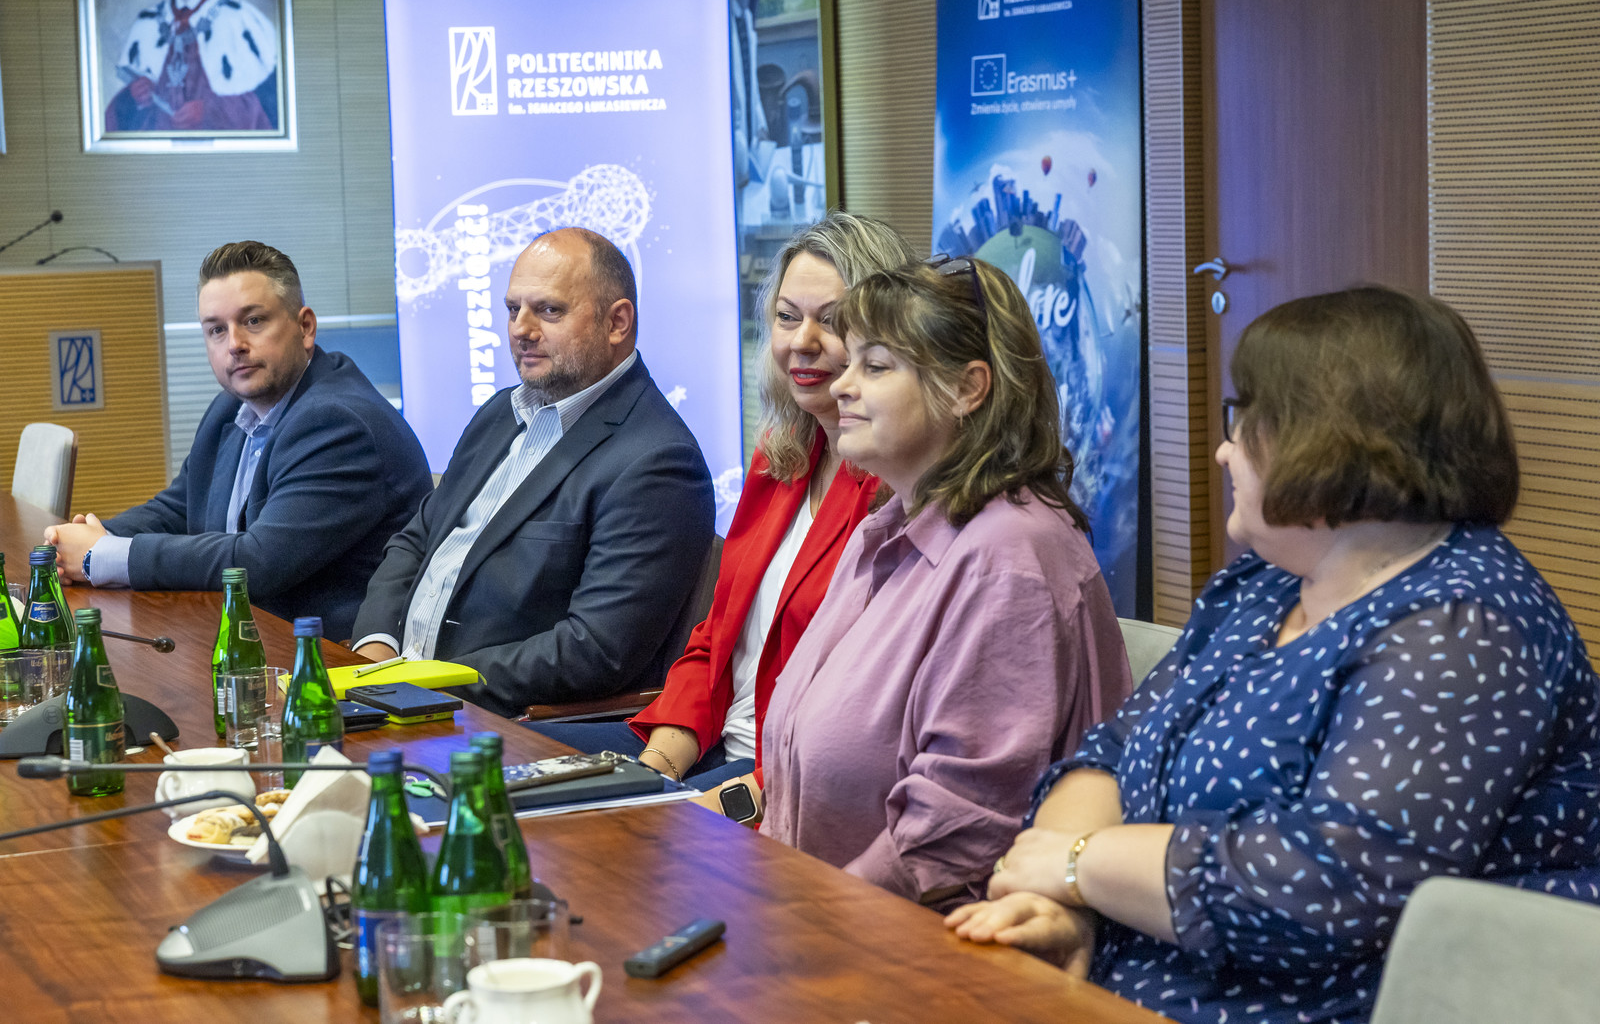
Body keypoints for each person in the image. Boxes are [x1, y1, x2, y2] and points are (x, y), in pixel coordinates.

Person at [951, 287, 1600, 1023]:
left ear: (1327, 440)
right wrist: (1063, 902)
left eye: (1245, 418)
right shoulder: (1266, 583)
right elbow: (1115, 750)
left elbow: (1326, 888)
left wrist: (1077, 865)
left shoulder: (1467, 627)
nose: (1225, 449)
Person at [759, 257, 1132, 908]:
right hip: (818, 915)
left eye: (876, 366)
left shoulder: (1009, 556)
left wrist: (803, 924)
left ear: (967, 388)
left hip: (922, 944)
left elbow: (953, 833)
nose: (842, 385)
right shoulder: (885, 529)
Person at [535, 212, 919, 803]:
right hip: (704, 741)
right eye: (787, 317)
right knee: (497, 766)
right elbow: (717, 637)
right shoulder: (780, 457)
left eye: (832, 320)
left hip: (786, 779)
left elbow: (868, 718)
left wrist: (712, 799)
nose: (801, 342)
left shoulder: (902, 492)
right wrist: (656, 766)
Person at [350, 228, 714, 715]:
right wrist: (374, 649)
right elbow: (417, 541)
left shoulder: (658, 460)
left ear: (617, 322)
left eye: (549, 310)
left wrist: (427, 682)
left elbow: (594, 651)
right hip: (391, 691)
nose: (521, 328)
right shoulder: (500, 413)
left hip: (493, 719)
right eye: (512, 309)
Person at [44, 241, 432, 641]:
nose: (234, 344)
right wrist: (84, 539)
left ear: (305, 327)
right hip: (247, 636)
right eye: (217, 329)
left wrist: (102, 555)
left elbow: (258, 562)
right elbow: (179, 508)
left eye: (253, 321)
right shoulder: (230, 409)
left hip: (329, 655)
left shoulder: (338, 423)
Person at [104, 0, 279, 133]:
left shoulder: (240, 18)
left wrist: (211, 111)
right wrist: (133, 97)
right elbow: (118, 124)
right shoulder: (147, 24)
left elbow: (271, 106)